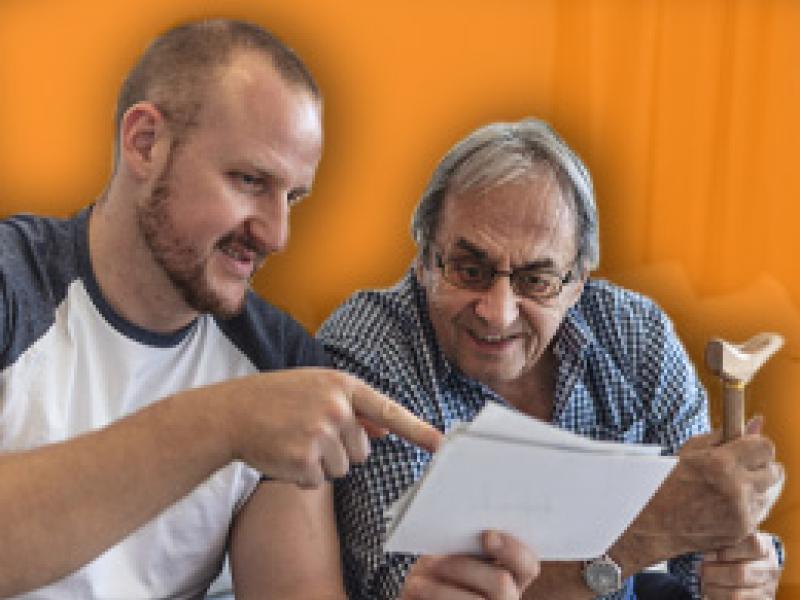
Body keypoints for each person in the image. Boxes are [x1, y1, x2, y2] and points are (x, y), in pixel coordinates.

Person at [0, 20, 542, 599]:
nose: (276, 234)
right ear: (145, 143)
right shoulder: (15, 284)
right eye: (249, 181)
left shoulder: (278, 363)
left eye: (293, 197)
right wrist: (223, 424)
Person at [317, 118, 786, 599]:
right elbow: (419, 590)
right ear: (424, 259)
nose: (497, 314)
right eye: (469, 270)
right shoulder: (367, 351)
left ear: (578, 281)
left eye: (536, 280)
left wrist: (742, 569)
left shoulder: (635, 333)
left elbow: (704, 535)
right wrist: (653, 530)